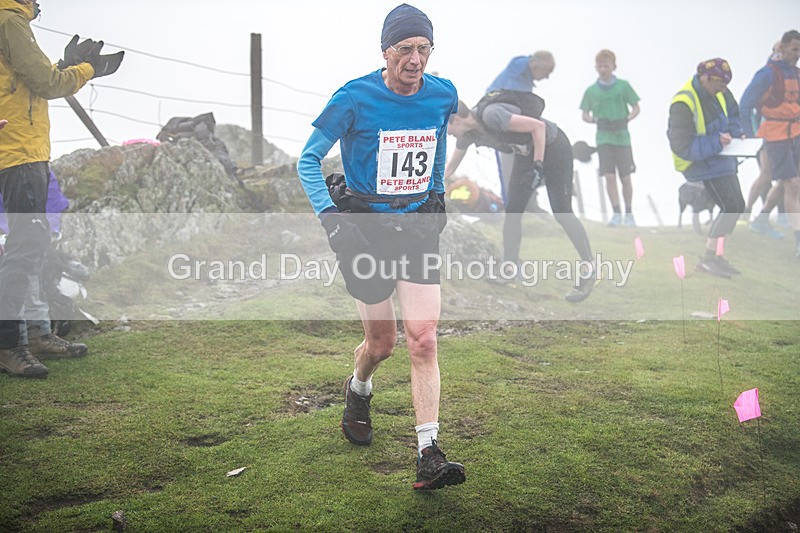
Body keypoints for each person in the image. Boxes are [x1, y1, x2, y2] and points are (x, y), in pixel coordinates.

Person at [296, 4, 465, 491]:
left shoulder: (443, 94)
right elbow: (307, 160)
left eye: (424, 49)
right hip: (364, 228)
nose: (416, 59)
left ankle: (429, 451)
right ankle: (359, 387)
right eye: (406, 49)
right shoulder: (354, 97)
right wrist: (332, 221)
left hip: (416, 225)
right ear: (385, 51)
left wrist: (436, 195)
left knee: (423, 337)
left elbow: (435, 141)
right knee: (382, 344)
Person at [0, 0, 123, 378]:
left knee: (32, 247)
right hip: (18, 154)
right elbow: (47, 83)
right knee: (24, 250)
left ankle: (37, 334)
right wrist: (87, 69)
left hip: (24, 151)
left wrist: (65, 66)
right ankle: (8, 344)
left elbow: (25, 81)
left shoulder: (10, 21)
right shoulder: (9, 21)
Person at [445, 95, 597, 303]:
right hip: (526, 154)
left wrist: (538, 165)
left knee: (562, 212)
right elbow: (451, 168)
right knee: (513, 211)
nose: (448, 133)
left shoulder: (492, 115)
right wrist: (432, 187)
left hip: (553, 146)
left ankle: (590, 267)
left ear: (456, 120)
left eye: (447, 128)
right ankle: (508, 270)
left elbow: (538, 127)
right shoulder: (468, 135)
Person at [668, 58, 745, 278]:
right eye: (719, 84)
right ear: (705, 77)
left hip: (720, 158)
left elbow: (733, 114)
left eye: (725, 85)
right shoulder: (682, 103)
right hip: (699, 163)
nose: (722, 90)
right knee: (730, 206)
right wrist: (716, 141)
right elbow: (681, 146)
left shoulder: (721, 90)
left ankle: (717, 257)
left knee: (737, 205)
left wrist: (737, 133)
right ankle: (709, 259)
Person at [740, 29, 800, 258]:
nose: (797, 54)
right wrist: (748, 136)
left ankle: (761, 219)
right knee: (791, 183)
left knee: (787, 182)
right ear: (782, 47)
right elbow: (745, 104)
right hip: (774, 136)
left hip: (795, 134)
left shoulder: (796, 74)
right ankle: (798, 241)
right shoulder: (767, 74)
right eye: (794, 49)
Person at [486, 51, 555, 208]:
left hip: (509, 122)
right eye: (547, 72)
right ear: (536, 66)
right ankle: (517, 204)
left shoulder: (525, 76)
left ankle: (529, 203)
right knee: (511, 165)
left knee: (526, 161)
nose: (547, 77)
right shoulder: (518, 68)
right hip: (502, 123)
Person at [580, 49, 641, 226]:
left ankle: (629, 214)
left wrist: (627, 118)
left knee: (626, 178)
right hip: (603, 138)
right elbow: (584, 114)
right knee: (609, 177)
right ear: (596, 68)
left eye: (606, 66)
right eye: (600, 66)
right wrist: (595, 120)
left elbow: (636, 107)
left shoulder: (623, 86)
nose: (603, 70)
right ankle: (616, 213)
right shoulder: (591, 91)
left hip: (622, 138)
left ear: (614, 67)